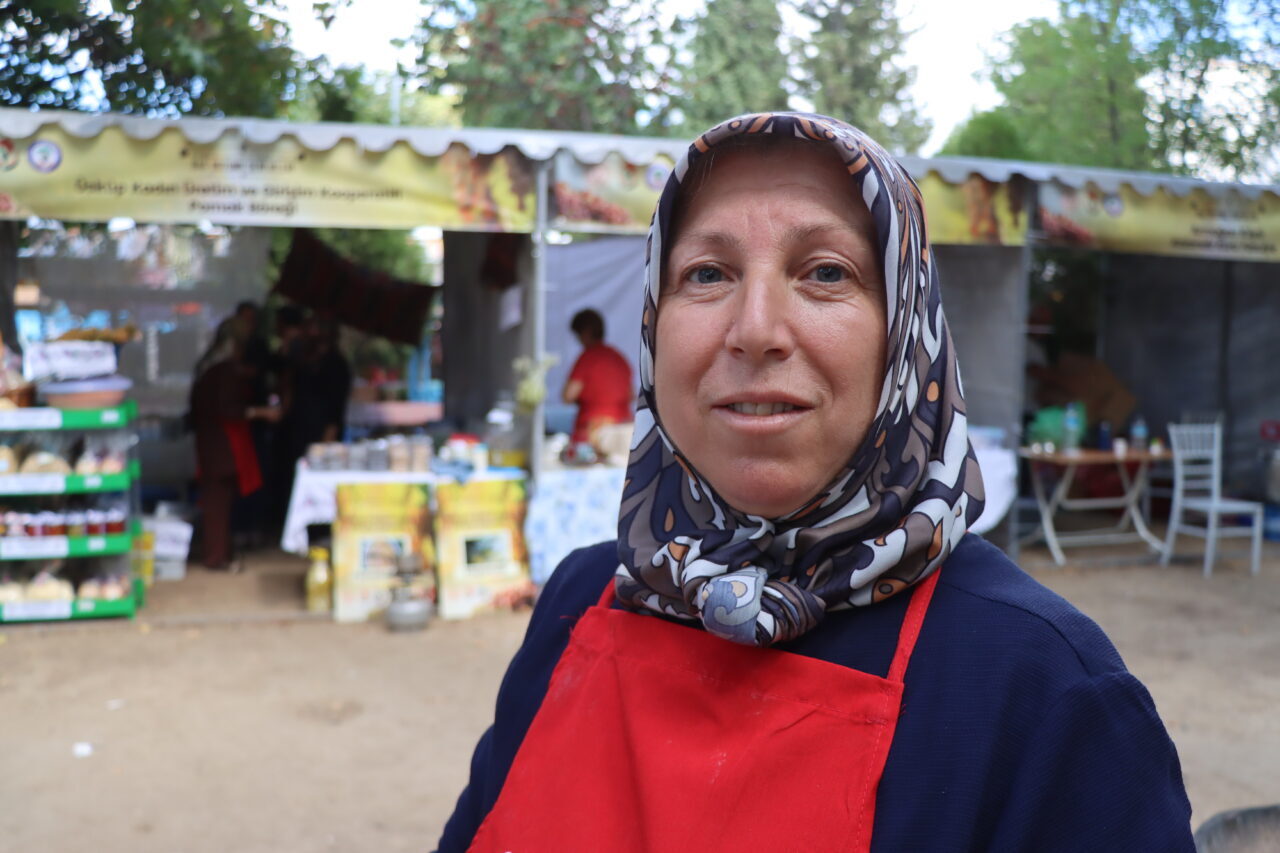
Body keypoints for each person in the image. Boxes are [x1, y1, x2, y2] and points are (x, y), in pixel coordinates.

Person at [436, 113, 1194, 851]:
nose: (755, 330)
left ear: (906, 330)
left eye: (826, 272)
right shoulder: (579, 601)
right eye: (707, 273)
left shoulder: (1042, 689)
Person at [188, 319, 278, 569]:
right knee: (218, 503)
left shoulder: (207, 366)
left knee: (219, 501)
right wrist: (261, 412)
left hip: (210, 442)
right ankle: (216, 557)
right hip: (223, 444)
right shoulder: (223, 370)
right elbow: (228, 409)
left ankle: (222, 554)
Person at [561, 308, 633, 446]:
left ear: (585, 332)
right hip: (622, 428)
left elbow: (568, 395)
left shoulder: (587, 357)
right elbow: (631, 395)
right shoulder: (619, 358)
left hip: (592, 431)